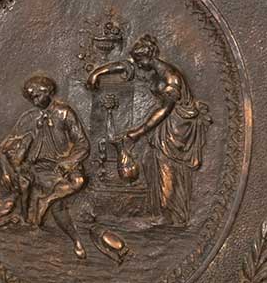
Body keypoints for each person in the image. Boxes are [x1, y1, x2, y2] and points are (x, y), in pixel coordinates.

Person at [0, 73, 121, 260]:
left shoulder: (64, 113)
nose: (34, 101)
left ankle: (46, 202)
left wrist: (69, 161)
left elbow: (82, 144)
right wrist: (4, 169)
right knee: (56, 199)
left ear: (48, 91)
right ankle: (70, 236)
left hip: (62, 165)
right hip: (37, 167)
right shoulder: (29, 117)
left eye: (37, 95)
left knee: (78, 181)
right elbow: (5, 146)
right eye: (30, 97)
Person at [87, 35, 210, 227]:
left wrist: (139, 131)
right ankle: (160, 210)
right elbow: (126, 65)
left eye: (140, 60)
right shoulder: (151, 69)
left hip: (175, 128)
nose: (137, 64)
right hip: (163, 127)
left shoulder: (171, 77)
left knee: (167, 166)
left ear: (150, 56)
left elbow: (165, 109)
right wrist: (98, 72)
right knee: (151, 163)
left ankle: (171, 214)